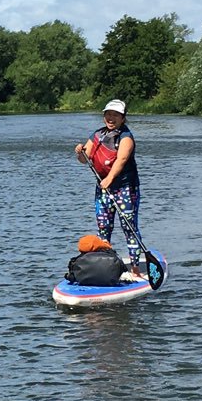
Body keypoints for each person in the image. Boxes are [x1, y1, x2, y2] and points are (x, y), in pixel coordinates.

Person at [73, 99, 145, 282]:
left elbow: (121, 161)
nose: (111, 118)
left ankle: (136, 269)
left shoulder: (126, 137)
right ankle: (105, 268)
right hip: (103, 190)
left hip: (125, 189)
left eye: (115, 115)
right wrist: (80, 153)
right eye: (108, 114)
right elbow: (84, 159)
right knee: (103, 229)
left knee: (129, 229)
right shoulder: (97, 135)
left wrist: (110, 179)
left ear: (123, 118)